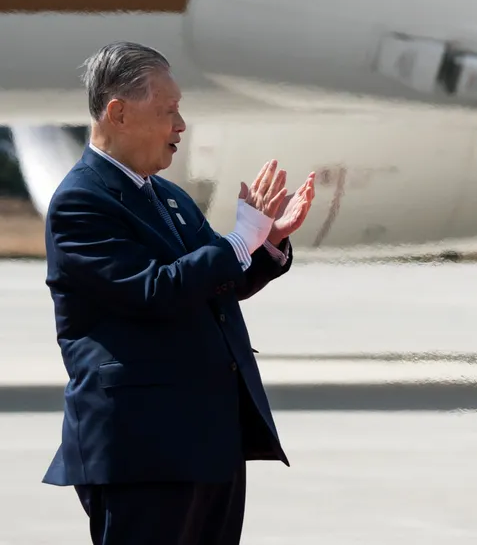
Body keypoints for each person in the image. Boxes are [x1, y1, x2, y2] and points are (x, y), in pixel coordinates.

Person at [41, 42, 318, 545]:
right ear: (118, 112)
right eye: (168, 110)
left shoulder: (167, 196)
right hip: (143, 450)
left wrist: (266, 242)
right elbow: (151, 291)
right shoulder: (81, 201)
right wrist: (238, 240)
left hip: (208, 442)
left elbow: (217, 282)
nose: (181, 125)